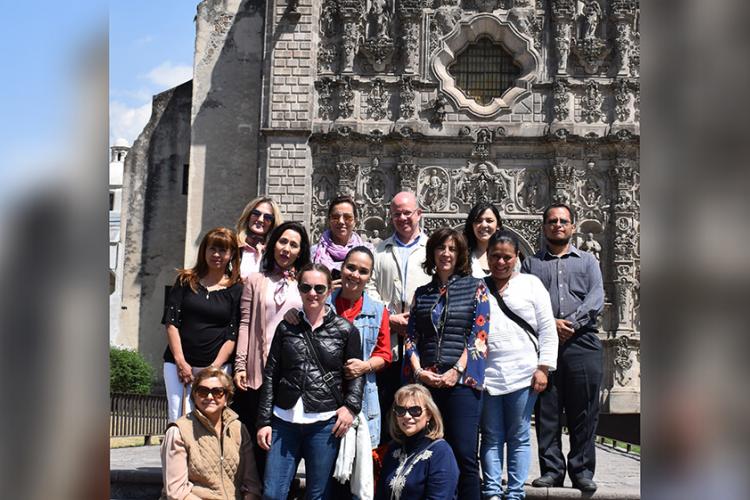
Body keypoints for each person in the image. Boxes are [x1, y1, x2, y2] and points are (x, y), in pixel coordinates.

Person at [256, 263, 365, 500]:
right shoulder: (286, 327)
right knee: (273, 493)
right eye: (306, 287)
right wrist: (264, 421)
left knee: (318, 494)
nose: (312, 293)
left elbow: (356, 374)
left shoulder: (346, 330)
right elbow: (271, 375)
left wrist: (351, 407)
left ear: (328, 291)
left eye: (319, 288)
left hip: (324, 423)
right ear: (299, 288)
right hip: (284, 420)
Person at [522, 203, 604, 493]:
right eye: (552, 221)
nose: (558, 225)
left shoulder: (588, 261)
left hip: (583, 340)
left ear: (572, 226)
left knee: (585, 409)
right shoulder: (531, 265)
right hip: (546, 343)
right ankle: (552, 470)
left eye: (563, 221)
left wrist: (570, 323)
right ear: (544, 227)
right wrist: (551, 324)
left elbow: (596, 296)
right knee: (548, 409)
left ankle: (581, 470)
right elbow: (523, 300)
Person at [404, 227, 490, 500]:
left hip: (461, 384)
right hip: (426, 383)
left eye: (453, 249)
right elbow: (411, 337)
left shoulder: (477, 287)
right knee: (424, 451)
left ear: (461, 254)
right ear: (433, 253)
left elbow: (479, 335)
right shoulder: (422, 292)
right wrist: (418, 371)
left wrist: (456, 371)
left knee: (464, 454)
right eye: (441, 248)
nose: (446, 254)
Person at [286, 245, 391, 448]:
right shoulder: (321, 302)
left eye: (363, 271)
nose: (355, 275)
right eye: (351, 267)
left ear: (370, 276)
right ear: (341, 268)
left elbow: (384, 353)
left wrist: (365, 366)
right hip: (321, 398)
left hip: (361, 397)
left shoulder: (378, 311)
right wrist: (291, 314)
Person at [480, 230, 558, 500]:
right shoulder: (478, 285)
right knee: (490, 436)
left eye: (506, 257)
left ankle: (514, 493)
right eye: (495, 256)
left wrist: (544, 367)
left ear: (517, 258)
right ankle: (491, 491)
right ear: (487, 258)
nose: (500, 262)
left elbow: (547, 327)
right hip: (488, 375)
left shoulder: (531, 284)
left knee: (519, 435)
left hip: (523, 373)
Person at [232, 221, 310, 479]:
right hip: (259, 371)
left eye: (294, 245)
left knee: (283, 445)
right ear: (273, 243)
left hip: (290, 374)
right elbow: (245, 324)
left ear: (301, 251)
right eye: (282, 242)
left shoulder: (306, 284)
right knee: (257, 442)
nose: (286, 249)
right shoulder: (256, 280)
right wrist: (240, 364)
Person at [162, 227, 242, 422]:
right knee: (178, 420)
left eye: (223, 250)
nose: (216, 255)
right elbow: (171, 323)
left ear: (231, 254)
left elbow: (232, 334)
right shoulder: (185, 281)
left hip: (217, 367)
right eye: (212, 248)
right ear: (203, 251)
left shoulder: (237, 289)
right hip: (178, 365)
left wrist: (212, 369)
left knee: (210, 420)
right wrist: (181, 362)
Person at [370, 191, 431, 444]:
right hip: (388, 344)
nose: (403, 218)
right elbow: (368, 289)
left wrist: (416, 320)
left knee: (422, 408)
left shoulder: (433, 250)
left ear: (419, 214)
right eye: (397, 214)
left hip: (424, 346)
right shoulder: (378, 251)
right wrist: (389, 317)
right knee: (388, 406)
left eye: (408, 212)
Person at [160, 367, 261, 500]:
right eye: (202, 391)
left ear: (227, 397)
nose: (209, 397)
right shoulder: (179, 431)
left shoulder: (239, 429)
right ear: (194, 396)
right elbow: (177, 492)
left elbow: (251, 484)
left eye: (217, 392)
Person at [375, 384, 458, 500]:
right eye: (400, 410)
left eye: (415, 410)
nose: (407, 416)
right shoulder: (394, 449)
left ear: (428, 414)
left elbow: (440, 497)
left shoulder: (441, 452)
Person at [311, 195, 374, 282]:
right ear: (329, 220)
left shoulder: (367, 253)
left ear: (355, 221)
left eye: (347, 217)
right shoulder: (313, 253)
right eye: (335, 217)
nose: (341, 221)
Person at [235, 197, 283, 279]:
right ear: (248, 216)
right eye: (256, 213)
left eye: (268, 217)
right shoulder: (233, 246)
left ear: (273, 222)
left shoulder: (275, 253)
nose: (260, 219)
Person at [463, 202, 502, 278]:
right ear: (472, 225)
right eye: (478, 221)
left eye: (489, 221)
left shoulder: (508, 253)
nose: (484, 225)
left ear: (498, 225)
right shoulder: (462, 254)